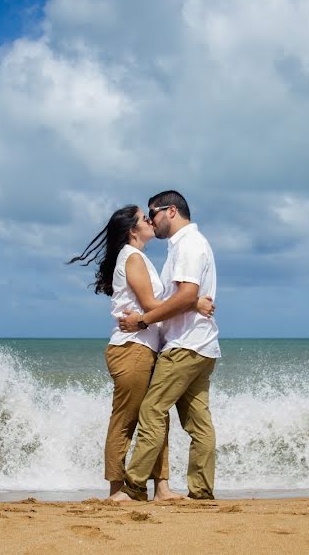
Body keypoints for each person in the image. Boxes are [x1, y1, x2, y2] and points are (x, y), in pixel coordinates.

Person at [68, 204, 215, 500]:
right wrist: (195, 302)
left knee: (154, 417)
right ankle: (117, 489)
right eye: (143, 218)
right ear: (132, 230)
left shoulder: (139, 257)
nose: (150, 221)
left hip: (145, 347)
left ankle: (161, 487)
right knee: (127, 420)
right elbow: (149, 306)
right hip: (131, 349)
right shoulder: (133, 257)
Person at [112, 190, 220, 502]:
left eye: (153, 214)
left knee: (152, 409)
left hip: (185, 345)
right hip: (202, 344)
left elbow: (186, 295)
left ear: (170, 211)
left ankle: (133, 487)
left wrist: (142, 322)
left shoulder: (188, 245)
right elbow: (188, 299)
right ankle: (200, 490)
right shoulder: (186, 245)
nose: (151, 221)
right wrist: (191, 304)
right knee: (198, 422)